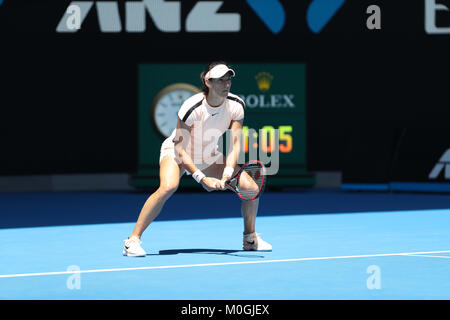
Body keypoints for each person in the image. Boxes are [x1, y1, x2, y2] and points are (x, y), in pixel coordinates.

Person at [123, 61, 272, 257]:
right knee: (168, 186)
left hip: (208, 154)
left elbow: (235, 144)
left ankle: (250, 238)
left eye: (228, 80)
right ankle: (132, 241)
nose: (226, 84)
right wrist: (201, 178)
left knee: (251, 188)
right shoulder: (191, 107)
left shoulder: (236, 105)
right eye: (220, 80)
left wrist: (227, 173)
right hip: (177, 151)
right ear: (208, 82)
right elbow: (180, 148)